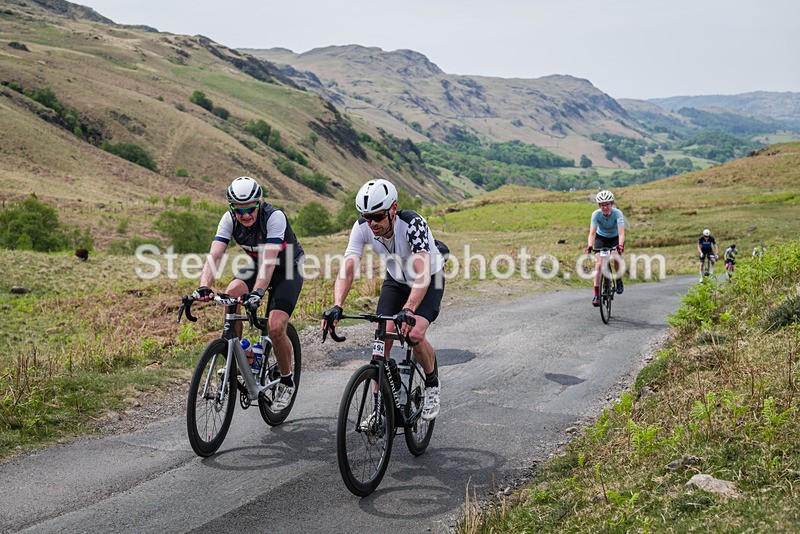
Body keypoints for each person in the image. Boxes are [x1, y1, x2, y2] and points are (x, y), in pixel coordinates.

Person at [322, 179, 445, 421]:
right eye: (367, 217)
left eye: (378, 216)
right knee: (382, 337)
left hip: (428, 278)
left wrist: (409, 309)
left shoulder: (413, 224)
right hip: (396, 280)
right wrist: (337, 305)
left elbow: (422, 275)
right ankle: (380, 408)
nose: (372, 223)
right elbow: (348, 268)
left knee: (414, 334)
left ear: (393, 209)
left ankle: (432, 384)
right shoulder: (362, 227)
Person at [193, 176, 304, 410]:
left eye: (250, 209)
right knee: (231, 294)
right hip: (258, 265)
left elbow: (269, 262)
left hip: (288, 269)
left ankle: (287, 380)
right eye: (239, 210)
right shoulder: (228, 219)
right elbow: (215, 256)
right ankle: (241, 356)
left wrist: (258, 292)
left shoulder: (274, 217)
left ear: (259, 204)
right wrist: (204, 286)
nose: (245, 216)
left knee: (275, 327)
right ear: (232, 208)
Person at [585, 190, 625, 307]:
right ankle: (596, 294)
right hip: (601, 238)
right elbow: (592, 233)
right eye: (602, 205)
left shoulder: (617, 213)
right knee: (598, 264)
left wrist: (620, 245)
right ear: (599, 206)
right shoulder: (596, 214)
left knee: (616, 256)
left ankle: (618, 280)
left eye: (607, 204)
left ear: (611, 204)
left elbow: (621, 233)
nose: (605, 207)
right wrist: (589, 245)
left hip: (615, 238)